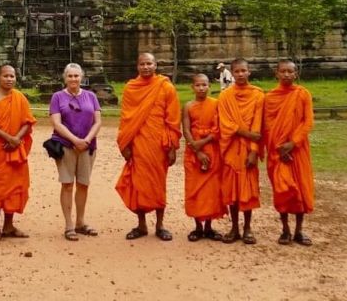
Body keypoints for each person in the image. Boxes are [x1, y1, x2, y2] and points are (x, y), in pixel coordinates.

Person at [115, 52, 181, 241]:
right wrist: (125, 144)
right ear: (137, 66)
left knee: (158, 185)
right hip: (138, 144)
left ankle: (160, 225)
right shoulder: (131, 88)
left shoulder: (165, 87)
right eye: (142, 64)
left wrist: (171, 146)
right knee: (138, 185)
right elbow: (127, 118)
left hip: (158, 144)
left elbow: (173, 119)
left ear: (155, 65)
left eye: (149, 63)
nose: (146, 67)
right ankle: (141, 224)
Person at [0, 64, 36, 242]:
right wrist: (8, 138)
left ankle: (9, 225)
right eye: (5, 76)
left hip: (15, 148)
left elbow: (28, 121)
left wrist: (16, 139)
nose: (9, 79)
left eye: (12, 76)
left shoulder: (19, 97)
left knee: (14, 188)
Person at [263, 59, 315, 246]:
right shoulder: (270, 97)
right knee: (282, 190)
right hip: (277, 151)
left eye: (289, 71)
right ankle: (285, 229)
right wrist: (280, 147)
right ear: (276, 74)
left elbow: (307, 122)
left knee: (300, 187)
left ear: (296, 74)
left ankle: (299, 230)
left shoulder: (303, 94)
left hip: (298, 149)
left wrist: (292, 143)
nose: (286, 75)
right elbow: (268, 125)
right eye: (282, 71)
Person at [49, 62, 103, 241]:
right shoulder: (57, 97)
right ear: (65, 78)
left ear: (82, 77)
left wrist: (86, 140)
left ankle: (80, 222)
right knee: (67, 184)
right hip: (66, 145)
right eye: (70, 76)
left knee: (83, 184)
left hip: (88, 146)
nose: (73, 79)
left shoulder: (91, 96)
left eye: (76, 76)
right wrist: (75, 140)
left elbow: (97, 121)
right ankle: (69, 225)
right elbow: (56, 123)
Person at [218, 57, 265, 244]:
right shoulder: (225, 96)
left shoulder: (258, 95)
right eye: (236, 71)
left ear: (249, 72)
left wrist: (254, 151)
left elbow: (258, 124)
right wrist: (247, 133)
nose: (240, 74)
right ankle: (234, 228)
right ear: (232, 73)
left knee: (247, 189)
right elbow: (225, 123)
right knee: (232, 191)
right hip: (230, 148)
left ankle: (247, 228)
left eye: (243, 71)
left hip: (247, 151)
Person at [182, 73, 225, 241]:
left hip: (212, 149)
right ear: (192, 87)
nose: (201, 88)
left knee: (211, 191)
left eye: (204, 85)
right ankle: (198, 226)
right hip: (193, 152)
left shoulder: (216, 104)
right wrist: (196, 149)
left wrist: (204, 142)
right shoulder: (188, 106)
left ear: (210, 87)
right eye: (198, 85)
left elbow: (219, 127)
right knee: (194, 190)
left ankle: (209, 227)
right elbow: (186, 129)